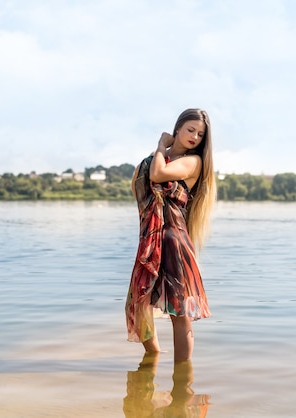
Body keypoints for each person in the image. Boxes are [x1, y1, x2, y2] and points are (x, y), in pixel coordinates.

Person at [125, 108, 216, 362]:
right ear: (177, 129)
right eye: (190, 130)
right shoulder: (153, 159)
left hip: (175, 242)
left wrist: (160, 146)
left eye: (200, 134)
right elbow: (142, 187)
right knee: (138, 305)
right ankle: (152, 361)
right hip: (151, 241)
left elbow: (157, 175)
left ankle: (182, 381)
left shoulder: (193, 162)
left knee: (180, 314)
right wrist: (161, 152)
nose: (195, 137)